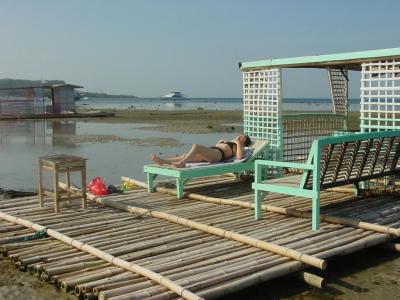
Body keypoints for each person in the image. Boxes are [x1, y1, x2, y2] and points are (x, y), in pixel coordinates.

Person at [151, 134, 252, 168]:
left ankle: (182, 164)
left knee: (196, 146)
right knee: (184, 155)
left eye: (242, 137)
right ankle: (163, 161)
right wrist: (221, 142)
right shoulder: (230, 142)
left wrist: (238, 143)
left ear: (244, 141)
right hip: (213, 152)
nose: (240, 136)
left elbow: (239, 157)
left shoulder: (238, 146)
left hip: (218, 155)